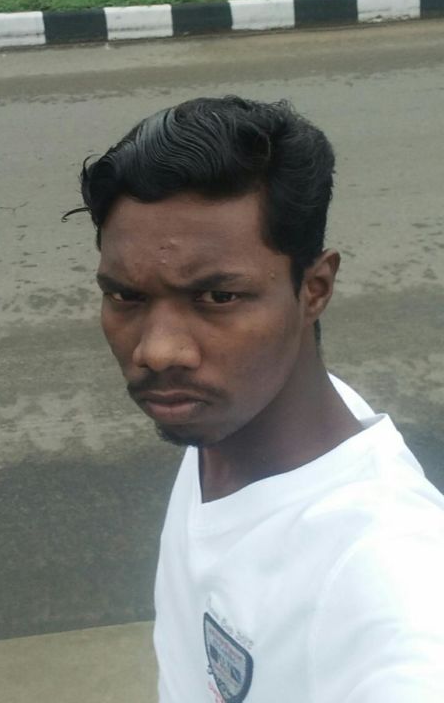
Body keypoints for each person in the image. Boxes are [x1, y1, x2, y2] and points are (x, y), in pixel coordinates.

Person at [75, 95, 444, 703]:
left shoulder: (387, 576)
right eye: (125, 297)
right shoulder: (228, 420)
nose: (159, 351)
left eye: (218, 298)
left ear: (315, 289)